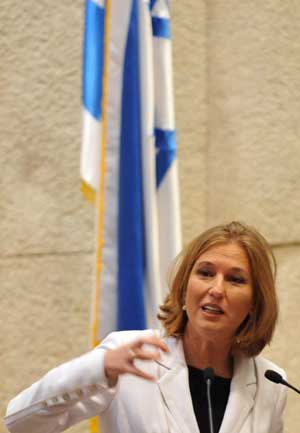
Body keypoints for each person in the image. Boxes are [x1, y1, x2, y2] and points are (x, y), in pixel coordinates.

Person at [4, 221, 287, 433]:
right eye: (205, 273)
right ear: (185, 286)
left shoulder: (270, 383)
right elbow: (20, 422)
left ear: (254, 302)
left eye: (235, 280)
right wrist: (98, 368)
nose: (216, 289)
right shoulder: (128, 358)